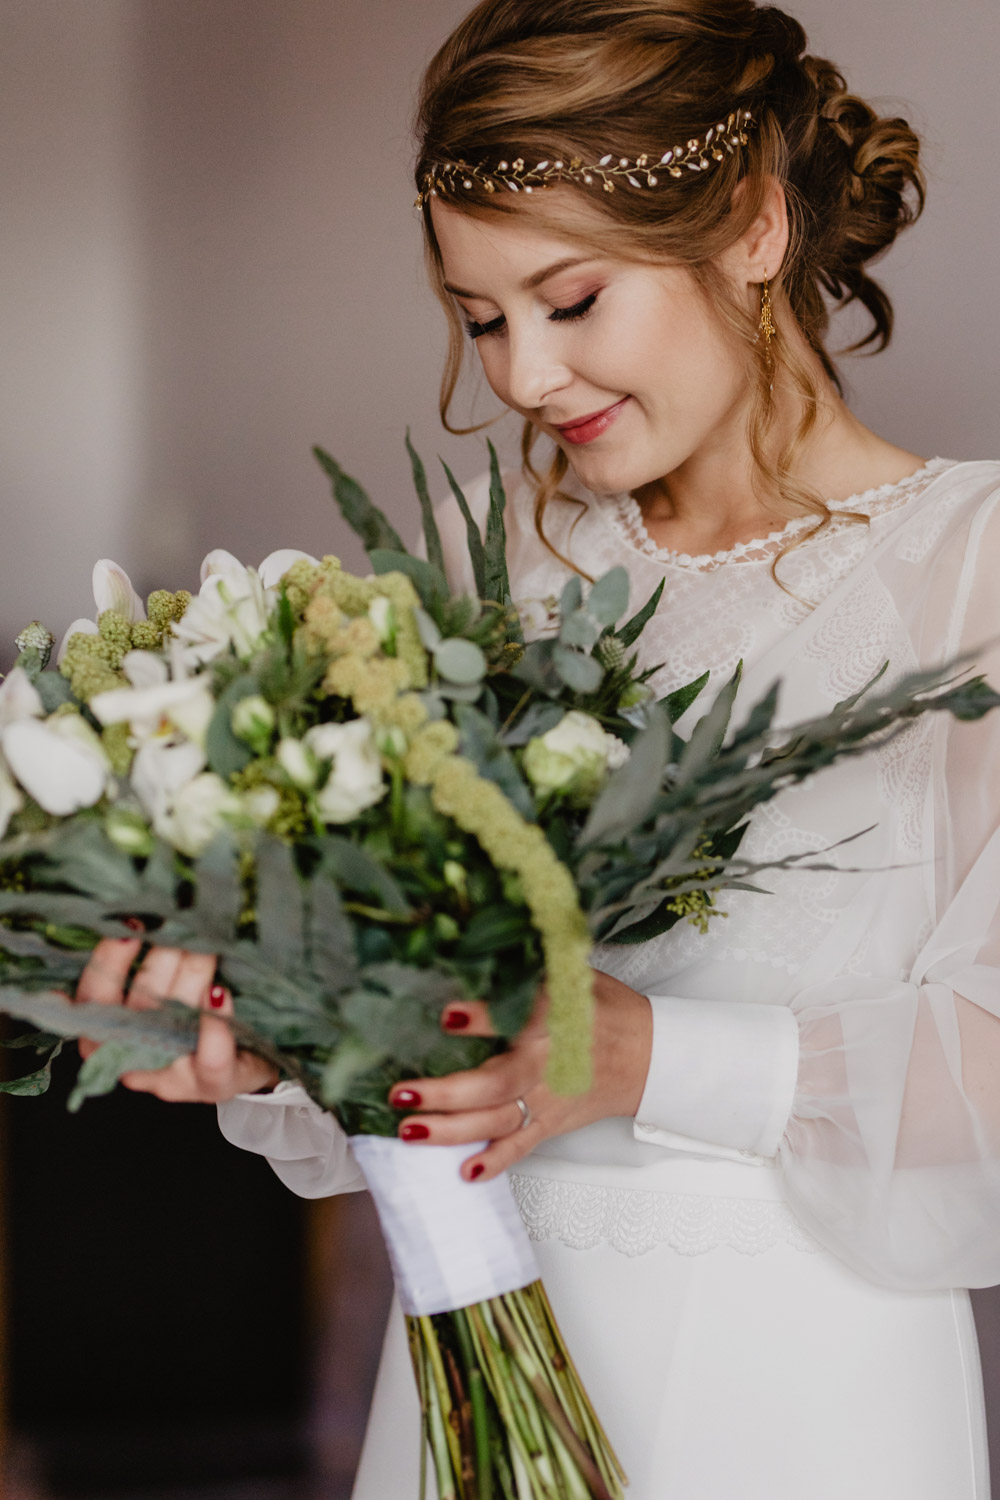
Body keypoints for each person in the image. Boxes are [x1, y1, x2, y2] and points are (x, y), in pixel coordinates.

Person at [72, 2, 1000, 1495]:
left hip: (807, 1396)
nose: (518, 376)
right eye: (482, 317)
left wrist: (651, 1054)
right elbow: (424, 1028)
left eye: (569, 299)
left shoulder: (977, 566)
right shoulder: (490, 573)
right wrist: (271, 1037)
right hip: (472, 1371)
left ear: (756, 228)